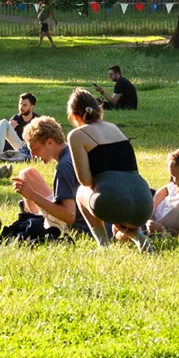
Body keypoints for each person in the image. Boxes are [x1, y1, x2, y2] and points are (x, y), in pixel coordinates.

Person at [62, 88, 151, 246]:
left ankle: (103, 244)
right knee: (117, 199)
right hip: (144, 205)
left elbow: (85, 181)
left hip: (114, 202)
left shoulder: (76, 136)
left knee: (81, 192)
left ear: (74, 116)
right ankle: (139, 237)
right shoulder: (114, 128)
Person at [8, 115, 80, 241]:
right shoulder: (73, 151)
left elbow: (69, 216)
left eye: (35, 149)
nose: (33, 155)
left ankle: (33, 214)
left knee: (26, 177)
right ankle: (33, 213)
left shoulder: (63, 167)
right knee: (27, 173)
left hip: (77, 228)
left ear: (50, 142)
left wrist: (33, 196)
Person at [0, 92, 39, 161]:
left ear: (32, 107)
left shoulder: (37, 121)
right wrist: (10, 129)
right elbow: (5, 141)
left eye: (25, 105)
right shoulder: (15, 119)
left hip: (29, 148)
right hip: (18, 147)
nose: (21, 107)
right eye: (20, 104)